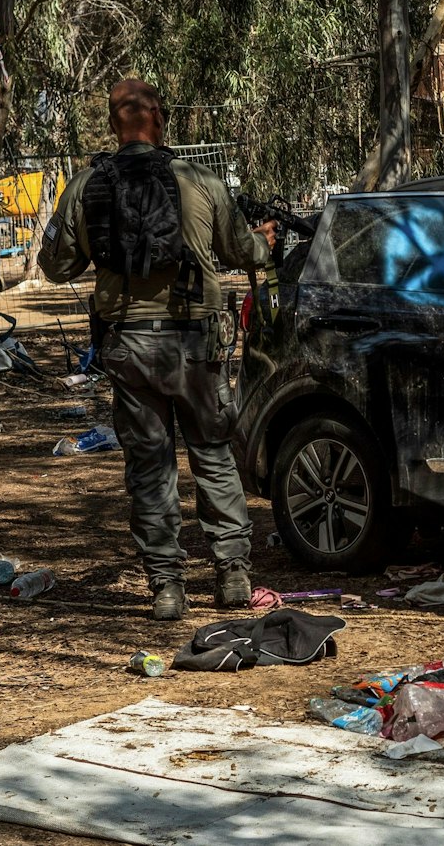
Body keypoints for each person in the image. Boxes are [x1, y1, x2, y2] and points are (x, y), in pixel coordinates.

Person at [39, 79, 274, 618]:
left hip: (126, 345)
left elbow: (55, 267)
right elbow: (242, 248)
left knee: (149, 465)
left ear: (114, 123)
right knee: (213, 453)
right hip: (194, 343)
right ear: (160, 119)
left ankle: (167, 586)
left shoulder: (87, 185)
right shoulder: (199, 179)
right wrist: (266, 240)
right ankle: (233, 573)